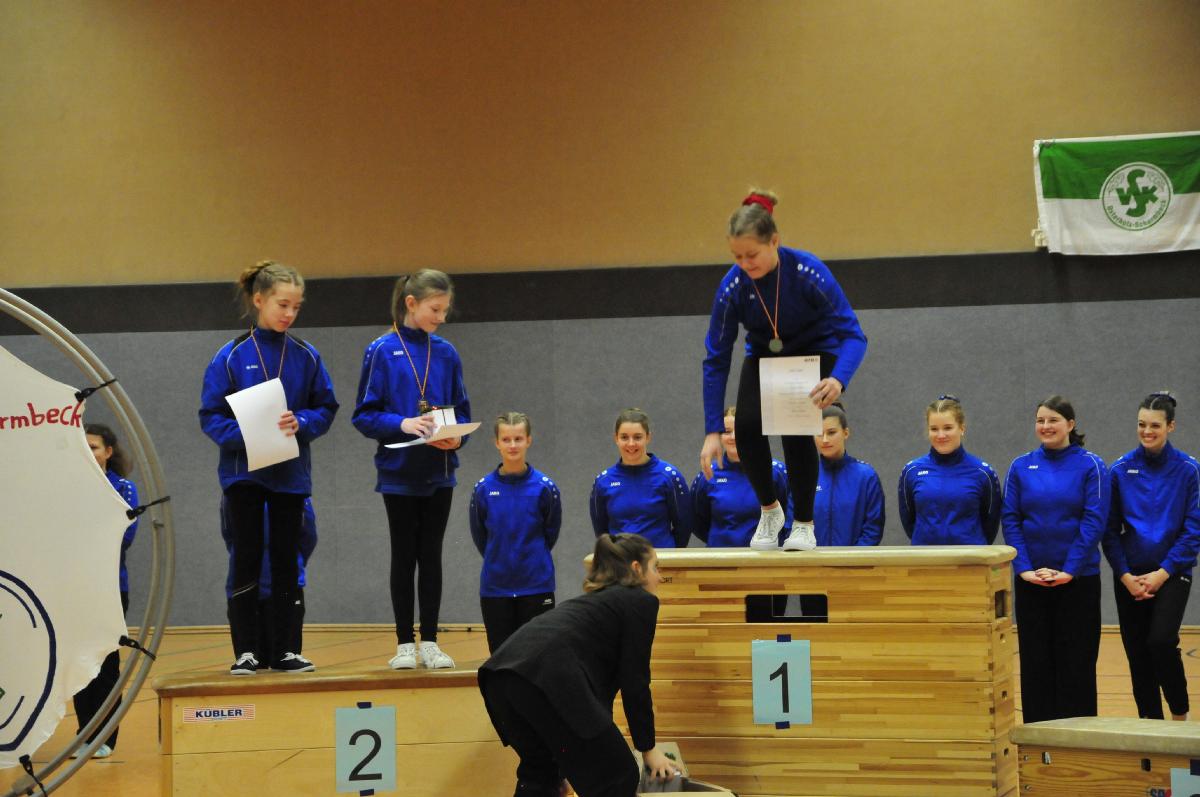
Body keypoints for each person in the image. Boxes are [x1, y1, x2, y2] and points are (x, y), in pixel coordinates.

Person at [701, 188, 868, 552]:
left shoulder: (808, 273)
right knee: (746, 426)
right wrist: (712, 429)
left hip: (815, 350)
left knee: (793, 428)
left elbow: (854, 336)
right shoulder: (733, 286)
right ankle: (770, 510)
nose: (745, 264)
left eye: (752, 255)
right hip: (766, 353)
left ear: (774, 241)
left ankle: (804, 524)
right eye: (737, 256)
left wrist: (838, 378)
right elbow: (716, 357)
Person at [199, 260, 339, 675]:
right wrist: (246, 433)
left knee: (285, 559)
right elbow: (210, 416)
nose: (289, 313)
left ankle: (286, 650)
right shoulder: (230, 356)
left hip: (289, 476)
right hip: (244, 474)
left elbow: (326, 407)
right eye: (282, 304)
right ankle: (246, 651)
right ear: (259, 300)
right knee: (245, 556)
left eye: (296, 306)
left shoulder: (307, 356)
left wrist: (303, 422)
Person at [478, 534, 676, 797]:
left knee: (542, 776)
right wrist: (648, 749)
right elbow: (635, 681)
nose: (660, 577)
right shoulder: (639, 600)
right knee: (619, 775)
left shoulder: (597, 605)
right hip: (542, 679)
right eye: (656, 568)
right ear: (636, 569)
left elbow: (594, 702)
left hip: (499, 678)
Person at [352, 269, 470, 670]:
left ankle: (431, 641)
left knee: (431, 555)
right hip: (399, 473)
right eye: (435, 309)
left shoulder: (447, 353)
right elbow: (364, 415)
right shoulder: (381, 351)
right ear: (411, 303)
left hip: (439, 471)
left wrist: (456, 439)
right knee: (404, 555)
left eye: (445, 310)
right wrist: (402, 423)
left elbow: (462, 411)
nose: (441, 317)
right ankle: (405, 642)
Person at [1001, 396, 1108, 722]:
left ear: (1070, 425)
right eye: (1040, 420)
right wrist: (1024, 568)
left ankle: (1078, 743)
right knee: (1036, 666)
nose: (1045, 426)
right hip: (1032, 583)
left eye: (1053, 420)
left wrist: (1069, 569)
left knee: (1077, 666)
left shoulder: (1091, 466)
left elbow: (1093, 522)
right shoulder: (1021, 466)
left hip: (1078, 583)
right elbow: (1011, 519)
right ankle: (1038, 743)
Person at [1103, 392, 1200, 721]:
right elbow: (1109, 531)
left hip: (1172, 572)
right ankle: (1150, 725)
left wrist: (1163, 572)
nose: (1147, 431)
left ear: (1170, 426)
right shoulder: (1120, 470)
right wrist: (1124, 575)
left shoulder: (1189, 470)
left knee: (1160, 641)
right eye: (1141, 424)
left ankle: (1180, 715)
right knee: (1137, 653)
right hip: (1130, 576)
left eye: (1155, 425)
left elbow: (1193, 530)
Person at [71, 423, 138, 759]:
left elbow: (125, 536)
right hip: (75, 588)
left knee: (106, 663)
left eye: (94, 446)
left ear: (108, 452)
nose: (89, 452)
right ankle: (84, 735)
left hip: (111, 588)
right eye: (83, 446)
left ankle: (106, 737)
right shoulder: (69, 488)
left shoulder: (124, 488)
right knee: (78, 662)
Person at [470, 412, 561, 653]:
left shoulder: (545, 488)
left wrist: (530, 557)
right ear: (496, 443)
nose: (512, 445)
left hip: (536, 586)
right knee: (500, 659)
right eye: (506, 439)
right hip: (496, 588)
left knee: (536, 658)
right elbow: (480, 536)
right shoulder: (483, 489)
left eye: (518, 439)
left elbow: (550, 532)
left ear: (528, 440)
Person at [220, 496, 317, 667]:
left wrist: (295, 562)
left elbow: (308, 535)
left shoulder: (294, 492)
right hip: (247, 584)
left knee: (282, 661)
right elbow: (230, 534)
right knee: (253, 663)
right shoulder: (236, 492)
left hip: (278, 584)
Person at [898, 395, 1001, 545]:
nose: (941, 435)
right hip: (925, 556)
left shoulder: (983, 473)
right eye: (934, 429)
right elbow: (909, 520)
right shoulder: (911, 471)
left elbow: (990, 524)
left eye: (948, 428)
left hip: (971, 557)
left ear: (962, 428)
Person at [590, 408, 692, 548]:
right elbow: (601, 531)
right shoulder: (603, 482)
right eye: (624, 437)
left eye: (637, 437)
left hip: (660, 558)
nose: (631, 444)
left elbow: (684, 525)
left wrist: (667, 554)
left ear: (648, 437)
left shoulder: (669, 476)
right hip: (620, 559)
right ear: (616, 438)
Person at [691, 406, 790, 547]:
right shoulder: (707, 474)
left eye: (740, 431)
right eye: (727, 432)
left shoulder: (776, 472)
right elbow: (696, 521)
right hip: (720, 556)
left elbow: (790, 515)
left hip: (765, 555)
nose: (733, 437)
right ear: (719, 436)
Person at [812, 403, 884, 547]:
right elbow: (792, 525)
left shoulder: (866, 476)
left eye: (831, 432)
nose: (825, 440)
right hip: (812, 560)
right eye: (819, 434)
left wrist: (852, 557)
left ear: (845, 433)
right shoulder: (805, 476)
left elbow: (873, 528)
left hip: (855, 560)